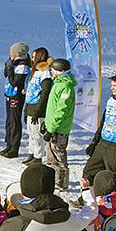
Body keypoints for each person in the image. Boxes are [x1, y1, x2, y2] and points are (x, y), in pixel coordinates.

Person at [42, 58, 76, 190]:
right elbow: (52, 107)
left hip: (59, 129)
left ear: (59, 72)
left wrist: (51, 128)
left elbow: (61, 111)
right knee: (51, 155)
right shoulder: (57, 84)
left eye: (53, 70)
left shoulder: (65, 87)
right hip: (52, 126)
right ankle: (53, 179)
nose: (51, 72)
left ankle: (61, 182)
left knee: (58, 154)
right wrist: (47, 123)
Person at [23, 48, 53, 166]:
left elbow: (45, 93)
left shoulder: (45, 72)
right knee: (31, 133)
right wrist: (26, 108)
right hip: (30, 104)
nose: (32, 59)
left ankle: (38, 156)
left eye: (34, 56)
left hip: (38, 108)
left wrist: (38, 111)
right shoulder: (34, 71)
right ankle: (32, 153)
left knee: (37, 134)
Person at [1, 42, 31, 158]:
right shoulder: (14, 62)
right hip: (9, 94)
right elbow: (6, 75)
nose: (10, 54)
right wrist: (8, 65)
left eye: (12, 52)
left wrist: (10, 69)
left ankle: (14, 147)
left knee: (14, 121)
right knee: (9, 121)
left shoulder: (23, 66)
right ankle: (9, 144)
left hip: (17, 96)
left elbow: (15, 82)